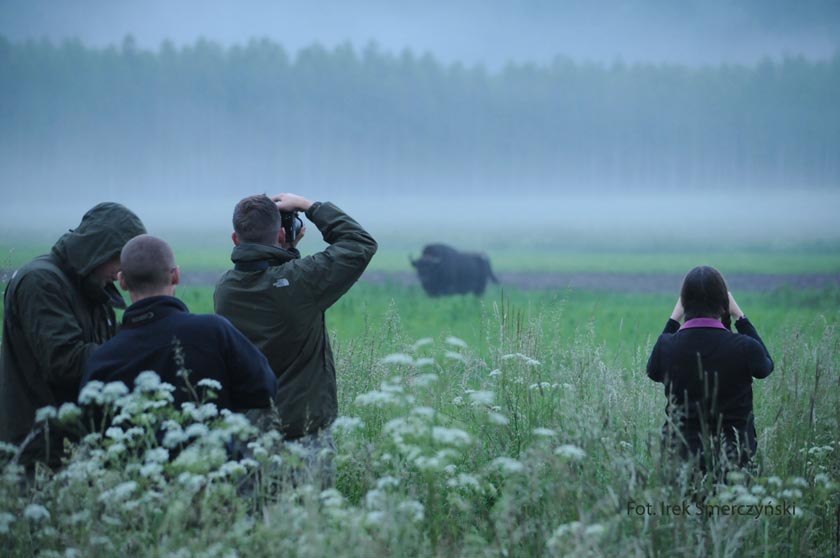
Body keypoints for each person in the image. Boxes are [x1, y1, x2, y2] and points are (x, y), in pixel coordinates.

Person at [214, 193, 377, 486]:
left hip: (249, 439)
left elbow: (272, 282)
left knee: (255, 525)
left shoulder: (225, 289)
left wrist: (281, 251)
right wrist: (308, 206)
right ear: (280, 234)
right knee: (308, 524)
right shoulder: (301, 283)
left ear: (235, 240)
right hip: (303, 436)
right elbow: (359, 244)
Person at [0, 202, 147, 470]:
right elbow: (65, 362)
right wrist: (137, 346)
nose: (122, 272)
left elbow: (103, 349)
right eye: (121, 259)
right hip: (37, 450)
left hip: (71, 445)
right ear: (99, 249)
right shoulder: (41, 282)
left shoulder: (92, 287)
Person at [81, 234, 276, 415]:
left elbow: (91, 424)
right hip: (210, 450)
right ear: (175, 276)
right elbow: (265, 389)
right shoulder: (214, 332)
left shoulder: (103, 359)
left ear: (122, 281)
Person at [646, 265, 774, 474]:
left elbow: (652, 370)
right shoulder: (743, 347)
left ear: (684, 302)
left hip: (681, 457)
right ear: (724, 304)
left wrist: (673, 319)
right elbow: (766, 366)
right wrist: (740, 317)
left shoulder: (667, 346)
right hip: (735, 458)